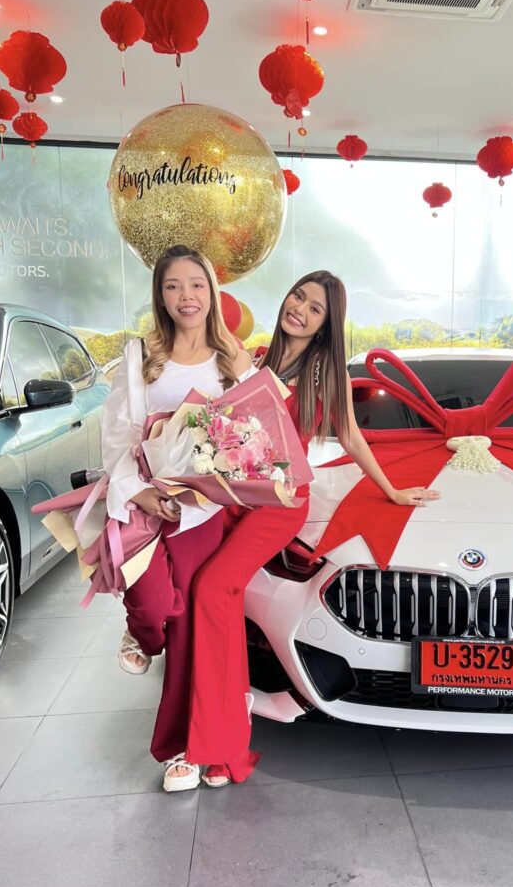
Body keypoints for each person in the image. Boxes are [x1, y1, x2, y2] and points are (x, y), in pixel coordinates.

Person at [174, 270, 440, 789]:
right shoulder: (252, 360)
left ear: (325, 326)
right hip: (232, 500)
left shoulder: (323, 379)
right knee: (217, 605)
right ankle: (223, 734)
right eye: (298, 296)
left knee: (212, 589)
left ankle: (216, 742)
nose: (299, 309)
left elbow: (353, 437)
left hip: (279, 506)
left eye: (315, 309)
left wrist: (391, 490)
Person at [101, 243, 255, 792]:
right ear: (160, 296)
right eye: (173, 286)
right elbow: (117, 434)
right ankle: (141, 635)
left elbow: (253, 437)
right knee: (149, 602)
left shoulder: (233, 360)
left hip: (203, 512)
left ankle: (185, 748)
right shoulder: (141, 354)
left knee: (190, 629)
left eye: (195, 284)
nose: (186, 296)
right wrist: (140, 493)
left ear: (211, 292)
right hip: (145, 503)